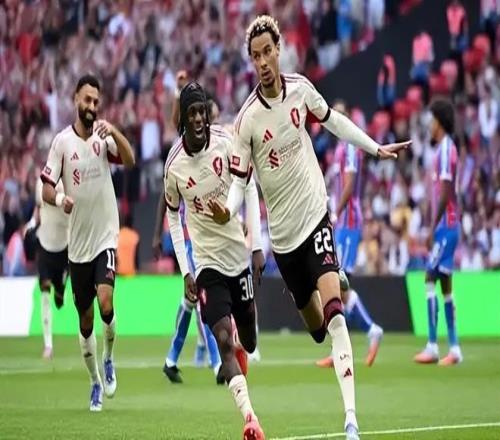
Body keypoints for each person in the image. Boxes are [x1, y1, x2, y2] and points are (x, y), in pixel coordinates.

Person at [207, 16, 410, 440]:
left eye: (268, 51)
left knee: (335, 316)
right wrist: (228, 211)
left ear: (279, 50)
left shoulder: (300, 89)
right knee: (317, 329)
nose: (263, 61)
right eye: (256, 56)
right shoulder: (247, 120)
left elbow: (333, 120)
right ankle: (328, 287)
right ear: (251, 61)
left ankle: (351, 420)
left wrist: (374, 148)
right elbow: (240, 182)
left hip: (315, 216)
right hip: (285, 242)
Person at [164, 81, 266, 439]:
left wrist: (256, 245)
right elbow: (173, 217)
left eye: (201, 112)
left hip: (238, 257)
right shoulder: (174, 166)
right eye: (191, 113)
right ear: (183, 119)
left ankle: (241, 341)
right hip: (207, 265)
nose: (198, 119)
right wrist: (186, 270)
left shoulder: (226, 141)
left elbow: (249, 186)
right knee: (222, 340)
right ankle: (250, 418)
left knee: (248, 341)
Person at [40, 74, 135, 411]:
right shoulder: (62, 143)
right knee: (85, 321)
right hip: (77, 247)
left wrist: (116, 133)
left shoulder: (103, 138)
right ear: (76, 100)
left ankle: (109, 358)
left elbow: (130, 159)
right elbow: (46, 187)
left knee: (106, 302)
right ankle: (95, 381)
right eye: (87, 100)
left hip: (105, 237)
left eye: (96, 101)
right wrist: (59, 198)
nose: (92, 106)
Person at [317, 102, 384, 369]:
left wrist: (335, 214)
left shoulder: (349, 148)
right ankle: (343, 347)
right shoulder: (339, 149)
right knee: (337, 285)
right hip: (343, 223)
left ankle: (370, 330)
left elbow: (349, 186)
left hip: (348, 222)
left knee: (338, 283)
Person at [152, 193, 224, 385]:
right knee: (201, 299)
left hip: (203, 240)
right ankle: (218, 364)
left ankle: (171, 360)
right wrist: (157, 235)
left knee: (190, 301)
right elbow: (164, 197)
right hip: (187, 242)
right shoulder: (179, 174)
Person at [414, 99, 463, 366]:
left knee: (429, 277)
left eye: (431, 120)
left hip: (446, 226)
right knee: (445, 286)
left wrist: (432, 227)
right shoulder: (446, 148)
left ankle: (433, 345)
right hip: (449, 225)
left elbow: (445, 192)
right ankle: (454, 348)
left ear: (439, 121)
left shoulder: (445, 149)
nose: (429, 125)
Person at [31, 178, 70, 359]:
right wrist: (32, 223)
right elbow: (41, 203)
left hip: (63, 248)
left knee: (59, 301)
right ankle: (48, 345)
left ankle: (60, 290)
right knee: (45, 293)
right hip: (45, 246)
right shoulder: (42, 182)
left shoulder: (70, 180)